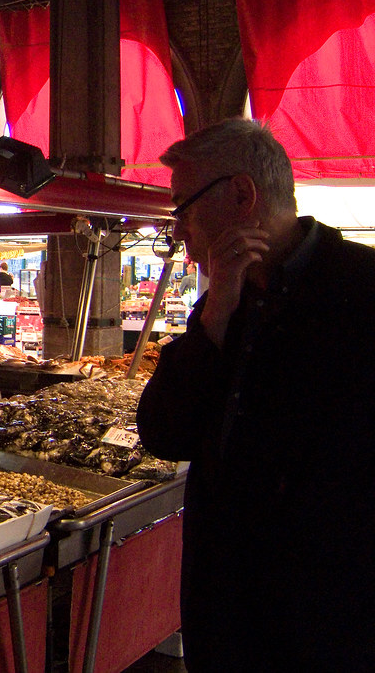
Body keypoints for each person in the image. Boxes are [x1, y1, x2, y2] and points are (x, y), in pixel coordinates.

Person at [136, 117, 375, 672]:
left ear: (241, 194)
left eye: (183, 207)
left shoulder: (360, 294)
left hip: (330, 629)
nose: (179, 230)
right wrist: (215, 316)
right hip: (226, 618)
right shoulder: (225, 304)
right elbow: (164, 434)